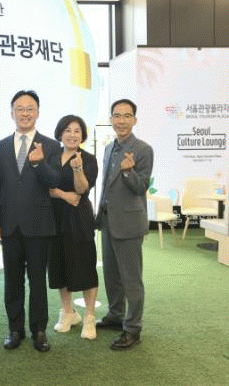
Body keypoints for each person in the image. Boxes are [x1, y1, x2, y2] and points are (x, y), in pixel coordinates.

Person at [0, 90, 61, 352]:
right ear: (12, 113)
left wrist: (40, 164)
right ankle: (15, 330)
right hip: (9, 225)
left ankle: (39, 331)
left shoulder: (51, 146)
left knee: (37, 281)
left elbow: (55, 180)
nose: (25, 113)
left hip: (39, 224)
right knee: (13, 281)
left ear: (37, 113)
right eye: (20, 109)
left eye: (30, 109)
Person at [95, 98, 153, 350]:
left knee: (131, 279)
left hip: (129, 223)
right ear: (111, 119)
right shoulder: (109, 147)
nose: (121, 121)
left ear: (134, 120)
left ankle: (132, 328)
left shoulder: (143, 149)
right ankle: (115, 315)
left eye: (127, 116)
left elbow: (141, 187)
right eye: (117, 116)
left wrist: (129, 171)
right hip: (108, 220)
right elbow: (107, 185)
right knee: (111, 275)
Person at [48, 115, 99, 340]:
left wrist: (78, 170)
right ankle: (68, 312)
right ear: (60, 133)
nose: (72, 134)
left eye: (77, 131)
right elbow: (44, 187)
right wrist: (63, 195)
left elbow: (81, 191)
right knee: (59, 267)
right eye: (68, 130)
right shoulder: (51, 156)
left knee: (85, 267)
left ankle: (89, 317)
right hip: (54, 219)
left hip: (79, 220)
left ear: (82, 136)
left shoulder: (88, 159)